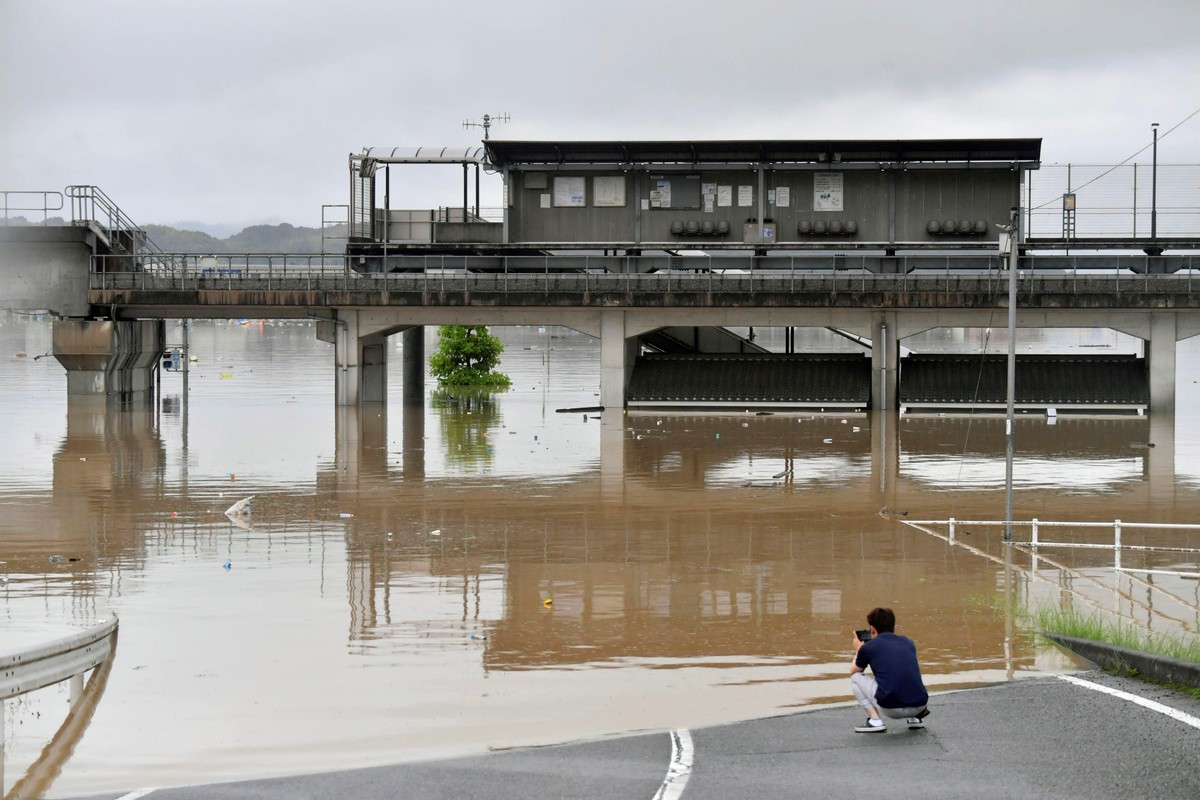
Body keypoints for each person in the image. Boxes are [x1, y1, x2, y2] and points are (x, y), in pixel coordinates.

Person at [850, 607, 929, 733]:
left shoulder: (868, 647)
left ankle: (875, 721)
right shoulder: (909, 642)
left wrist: (859, 649)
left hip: (891, 709)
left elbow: (854, 670)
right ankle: (914, 719)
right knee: (906, 673)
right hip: (920, 706)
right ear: (894, 628)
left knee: (855, 678)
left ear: (872, 629)